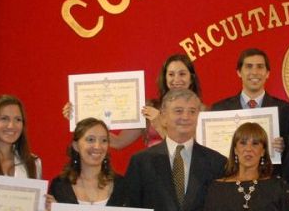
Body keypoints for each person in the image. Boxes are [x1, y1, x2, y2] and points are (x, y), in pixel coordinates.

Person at [62, 53, 203, 149]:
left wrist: (159, 124)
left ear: (191, 78)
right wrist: (80, 117)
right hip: (155, 177)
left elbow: (188, 149)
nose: (176, 79)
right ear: (165, 78)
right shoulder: (149, 108)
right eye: (171, 74)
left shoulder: (202, 112)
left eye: (182, 74)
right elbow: (118, 142)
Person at [210, 48, 289, 158]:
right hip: (230, 173)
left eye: (260, 67)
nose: (254, 72)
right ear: (239, 72)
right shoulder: (220, 109)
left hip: (270, 173)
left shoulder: (285, 110)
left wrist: (284, 148)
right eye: (249, 66)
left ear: (267, 73)